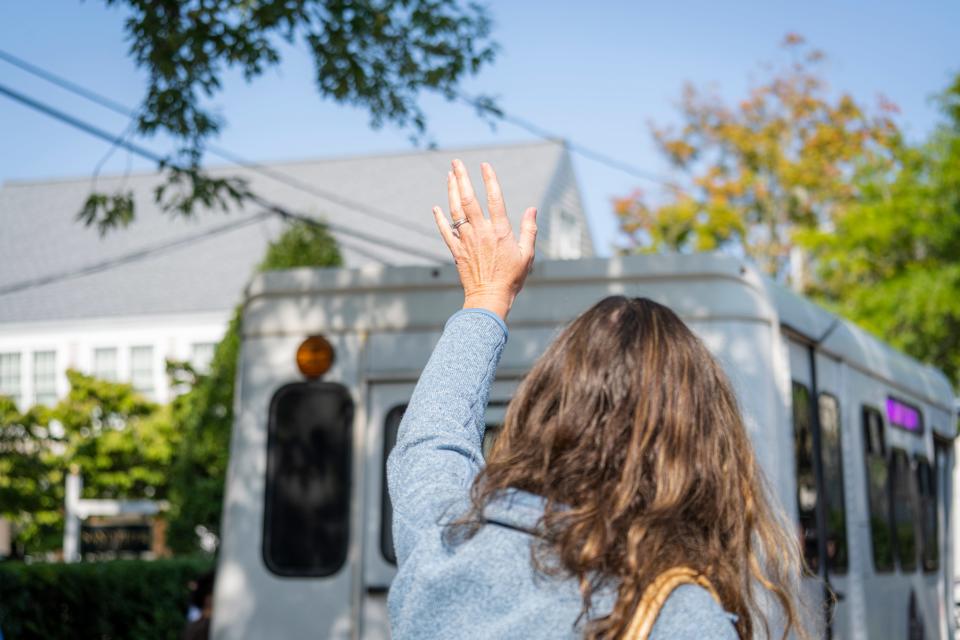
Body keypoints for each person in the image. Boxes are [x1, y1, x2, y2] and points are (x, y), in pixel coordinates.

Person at [386, 160, 809, 639]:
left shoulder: (445, 546)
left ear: (543, 413)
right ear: (700, 452)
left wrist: (486, 296)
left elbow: (429, 444)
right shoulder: (679, 617)